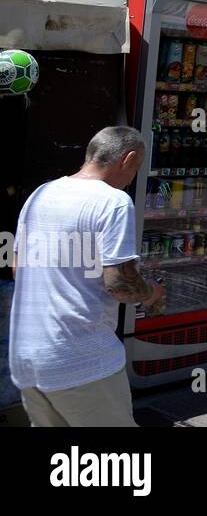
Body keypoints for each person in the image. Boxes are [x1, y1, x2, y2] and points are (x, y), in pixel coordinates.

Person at [8, 127, 164, 427]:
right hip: (81, 360)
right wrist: (152, 293)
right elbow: (120, 284)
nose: (133, 178)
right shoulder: (113, 202)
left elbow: (18, 269)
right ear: (128, 159)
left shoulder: (42, 193)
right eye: (137, 167)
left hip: (27, 357)